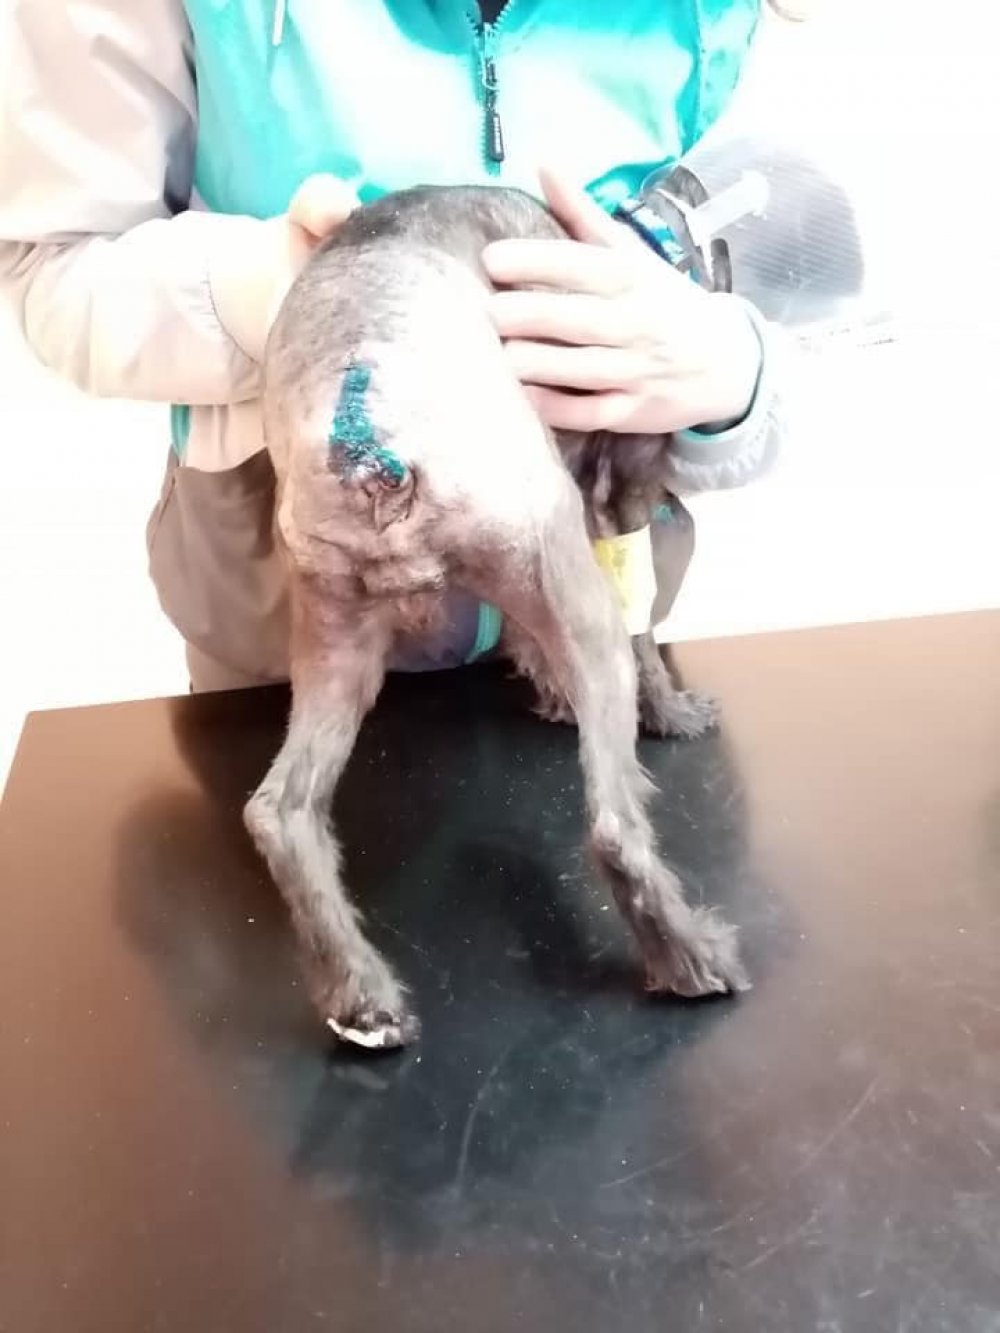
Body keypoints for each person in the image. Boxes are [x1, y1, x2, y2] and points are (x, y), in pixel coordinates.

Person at [0, 0, 792, 692]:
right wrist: (282, 294)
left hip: (601, 637)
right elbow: (57, 261)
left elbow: (794, 249)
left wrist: (732, 373)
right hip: (283, 656)